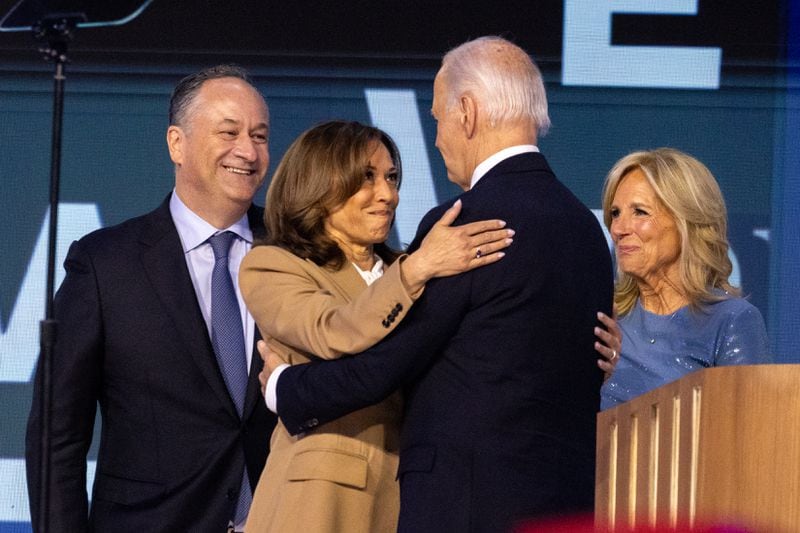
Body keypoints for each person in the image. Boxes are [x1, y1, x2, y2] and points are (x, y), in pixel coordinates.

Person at [262, 36, 614, 532]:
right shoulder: (587, 230)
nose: (437, 137)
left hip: (466, 505)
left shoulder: (462, 223)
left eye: (436, 118)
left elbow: (388, 365)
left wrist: (285, 387)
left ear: (467, 113)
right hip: (566, 505)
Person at [25, 65, 277, 532]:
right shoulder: (105, 264)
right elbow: (57, 437)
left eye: (260, 136)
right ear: (176, 144)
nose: (248, 150)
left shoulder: (295, 249)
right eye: (229, 132)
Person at [239, 120, 513, 532]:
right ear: (317, 182)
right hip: (319, 501)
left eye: (391, 177)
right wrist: (416, 269)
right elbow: (334, 331)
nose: (388, 194)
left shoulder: (409, 271)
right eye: (366, 178)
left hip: (411, 496)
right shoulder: (272, 265)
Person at [599, 148, 772, 410]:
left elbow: (748, 433)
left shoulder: (730, 322)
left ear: (686, 221)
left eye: (640, 212)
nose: (619, 229)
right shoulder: (603, 317)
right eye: (615, 213)